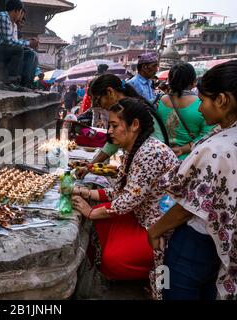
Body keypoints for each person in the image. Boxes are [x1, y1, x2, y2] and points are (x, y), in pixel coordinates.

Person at [148, 60, 237, 300]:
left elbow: (191, 206)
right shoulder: (225, 136)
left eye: (203, 101)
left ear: (222, 100)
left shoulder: (217, 148)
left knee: (170, 286)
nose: (200, 109)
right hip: (223, 245)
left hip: (193, 244)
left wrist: (156, 229)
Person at [72, 97, 179, 300]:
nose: (109, 131)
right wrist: (85, 193)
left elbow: (127, 200)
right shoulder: (135, 149)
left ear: (135, 125)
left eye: (114, 125)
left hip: (159, 228)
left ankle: (154, 278)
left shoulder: (150, 153)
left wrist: (91, 211)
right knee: (101, 226)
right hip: (142, 214)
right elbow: (120, 189)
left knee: (113, 258)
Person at [76, 74, 169, 171]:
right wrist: (89, 167)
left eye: (98, 100)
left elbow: (112, 144)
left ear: (110, 92)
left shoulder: (132, 109)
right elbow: (112, 143)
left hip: (152, 162)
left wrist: (89, 166)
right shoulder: (123, 108)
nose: (100, 105)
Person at [157, 63, 214, 160]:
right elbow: (207, 135)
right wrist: (182, 149)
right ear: (193, 82)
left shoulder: (161, 101)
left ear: (170, 81)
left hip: (162, 157)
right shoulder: (201, 103)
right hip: (189, 160)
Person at [0, 0, 39, 91]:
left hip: (1, 48)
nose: (21, 15)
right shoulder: (3, 17)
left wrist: (28, 43)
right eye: (21, 12)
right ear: (16, 11)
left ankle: (26, 83)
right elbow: (9, 42)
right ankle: (11, 81)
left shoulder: (10, 22)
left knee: (31, 54)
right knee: (18, 50)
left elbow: (12, 41)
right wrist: (29, 43)